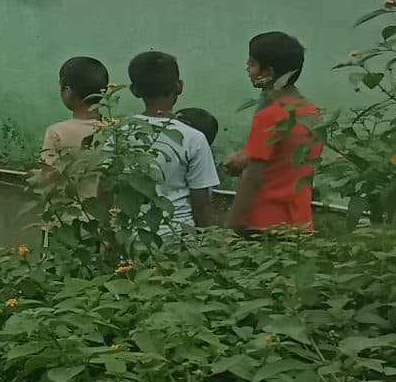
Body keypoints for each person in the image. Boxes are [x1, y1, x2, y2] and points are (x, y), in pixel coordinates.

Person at [225, 31, 321, 233]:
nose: (247, 69)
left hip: (264, 225)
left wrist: (230, 227)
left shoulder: (269, 116)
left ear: (268, 73)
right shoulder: (312, 113)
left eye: (251, 64)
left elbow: (253, 178)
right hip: (300, 223)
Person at [125, 51, 219, 230]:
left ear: (134, 90)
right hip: (180, 237)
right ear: (179, 86)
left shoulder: (118, 133)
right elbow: (201, 204)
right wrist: (208, 243)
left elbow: (105, 193)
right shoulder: (194, 139)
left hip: (133, 235)